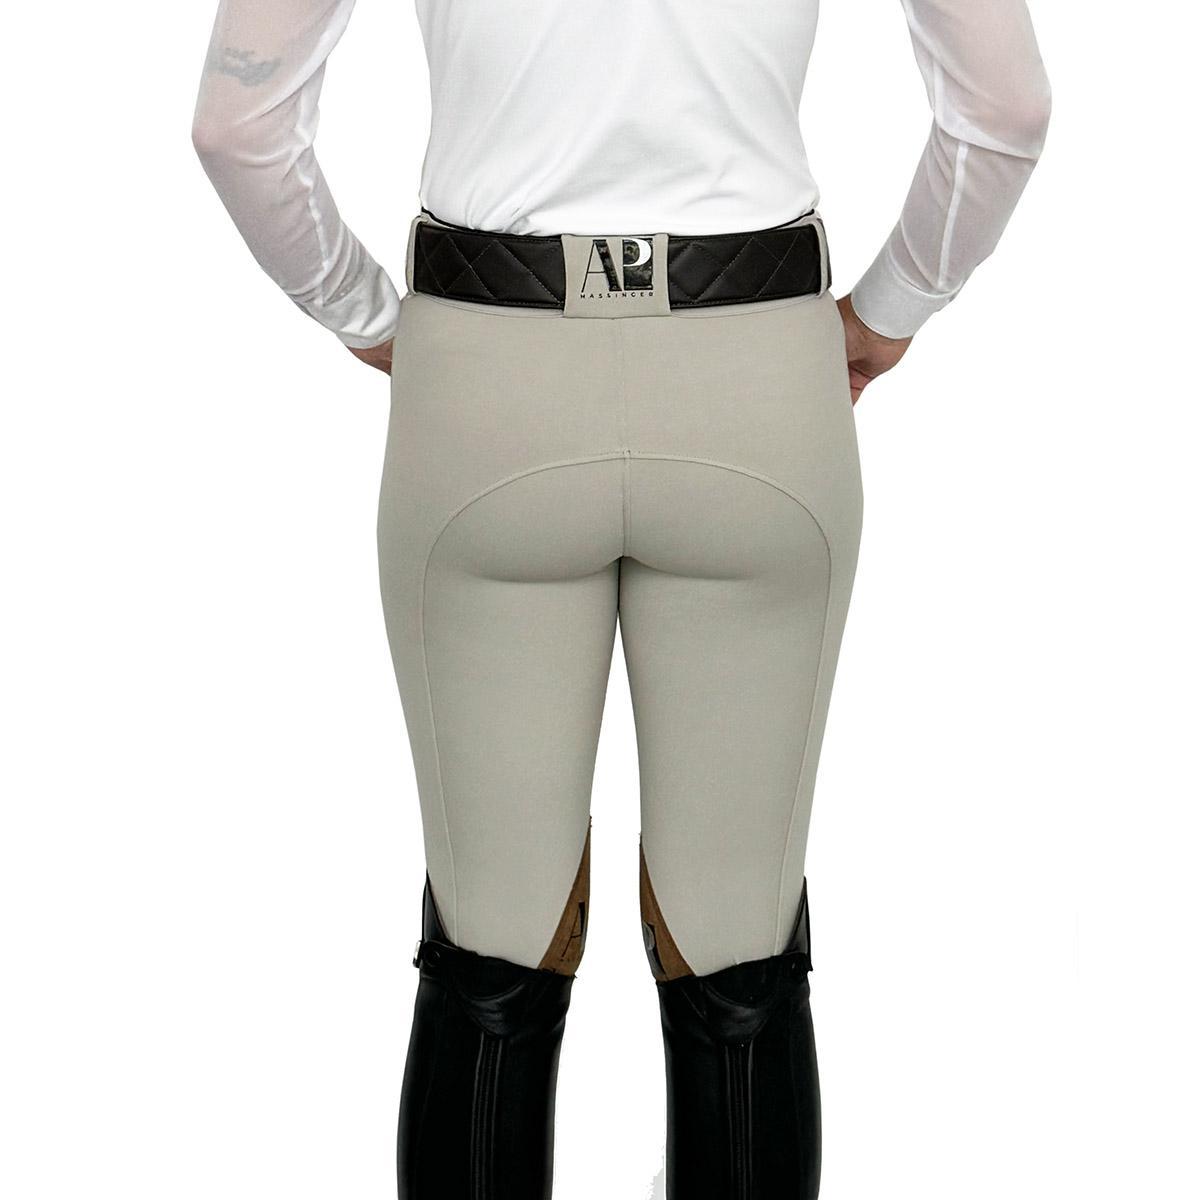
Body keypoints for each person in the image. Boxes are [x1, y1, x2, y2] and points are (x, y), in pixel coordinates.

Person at [192, 1, 1050, 1196]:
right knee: (740, 954)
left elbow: (237, 125)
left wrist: (368, 315)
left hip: (489, 382)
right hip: (755, 381)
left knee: (489, 952)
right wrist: (894, 303)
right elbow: (1006, 107)